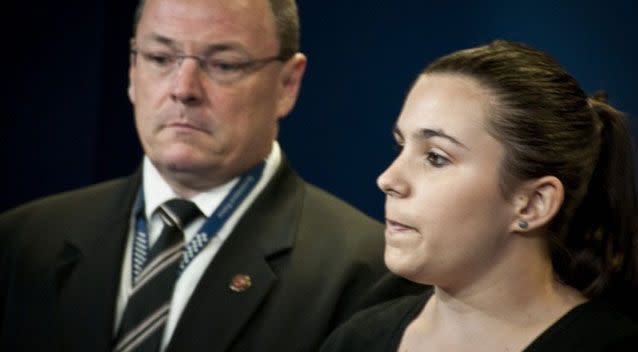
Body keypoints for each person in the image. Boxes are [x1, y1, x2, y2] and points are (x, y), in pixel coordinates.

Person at [0, 0, 422, 351]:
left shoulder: (366, 273)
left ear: (287, 84)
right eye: (160, 58)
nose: (183, 88)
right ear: (131, 69)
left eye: (223, 64)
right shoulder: (23, 241)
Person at [321, 40, 638, 351]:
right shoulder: (356, 339)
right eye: (401, 146)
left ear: (532, 204)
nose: (388, 179)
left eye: (436, 157)